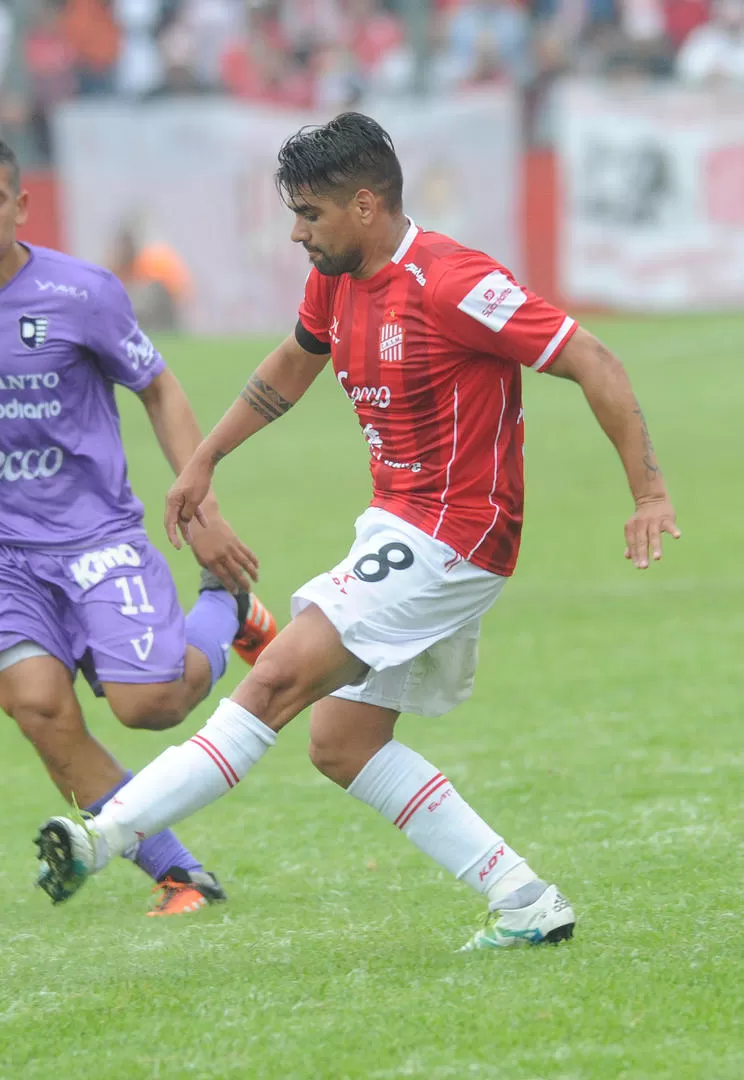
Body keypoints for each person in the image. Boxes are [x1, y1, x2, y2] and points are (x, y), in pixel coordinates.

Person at [34, 112, 680, 949]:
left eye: (310, 214)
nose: (297, 232)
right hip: (400, 529)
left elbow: (590, 356)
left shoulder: (453, 282)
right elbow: (292, 364)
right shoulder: (337, 277)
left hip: (456, 535)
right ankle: (526, 902)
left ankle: (100, 838)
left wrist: (649, 493)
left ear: (366, 206)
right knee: (341, 742)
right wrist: (206, 460)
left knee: (271, 684)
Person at [0, 133, 277, 917]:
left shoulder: (83, 293)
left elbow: (159, 387)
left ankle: (226, 606)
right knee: (41, 709)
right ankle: (178, 874)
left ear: (21, 206)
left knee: (151, 705)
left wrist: (202, 505)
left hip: (97, 540)